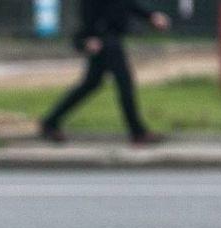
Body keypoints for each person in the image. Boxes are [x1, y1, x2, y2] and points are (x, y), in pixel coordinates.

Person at [41, 0, 171, 145]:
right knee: (124, 83)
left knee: (91, 83)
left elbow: (127, 4)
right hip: (104, 39)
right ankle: (138, 133)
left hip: (107, 37)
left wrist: (151, 16)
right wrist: (88, 37)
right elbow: (89, 10)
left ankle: (50, 122)